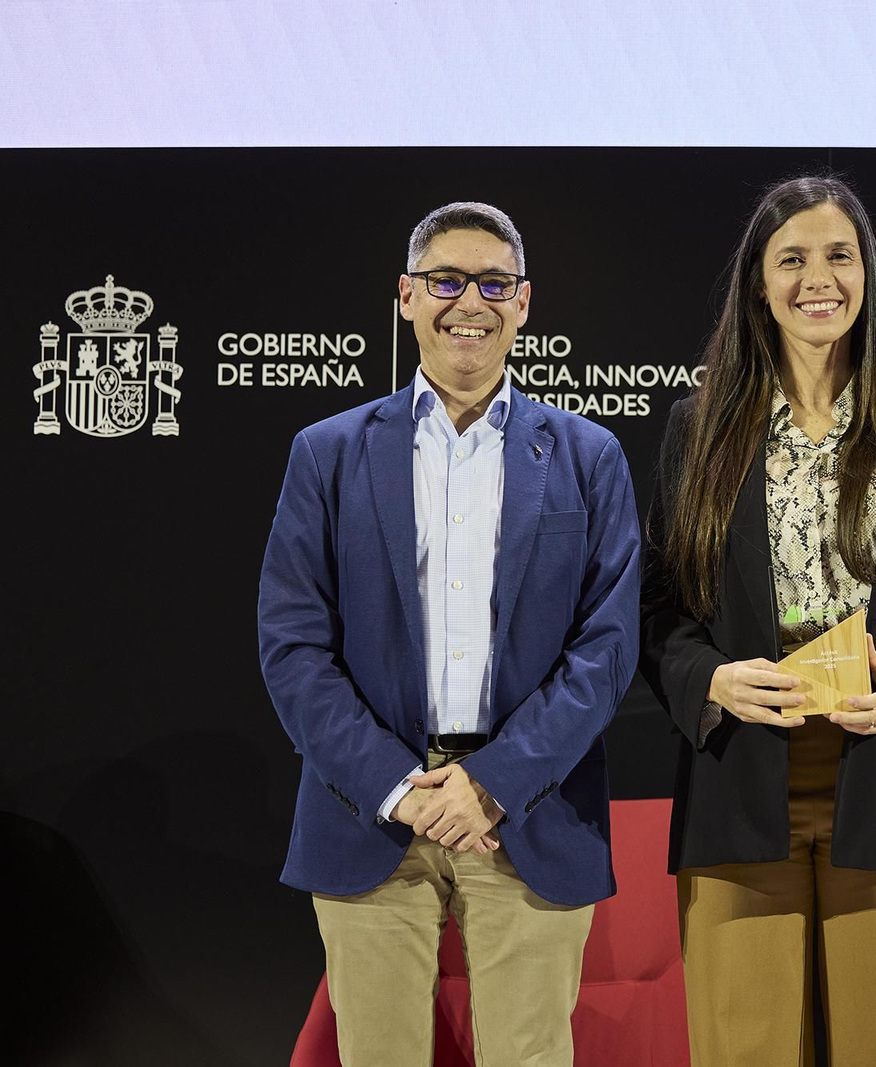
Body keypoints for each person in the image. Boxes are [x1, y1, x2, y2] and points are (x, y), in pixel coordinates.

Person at [258, 201, 641, 1067]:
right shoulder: (327, 453)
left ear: (524, 302)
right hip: (373, 815)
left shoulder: (589, 456)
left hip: (529, 816)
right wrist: (401, 784)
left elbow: (607, 647)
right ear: (406, 296)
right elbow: (293, 646)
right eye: (446, 280)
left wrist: (493, 782)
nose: (469, 300)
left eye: (493, 283)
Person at [639, 175, 876, 1066]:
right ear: (758, 283)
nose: (817, 278)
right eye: (790, 258)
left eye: (839, 254)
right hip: (739, 785)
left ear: (866, 272)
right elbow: (659, 612)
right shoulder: (699, 430)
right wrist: (710, 678)